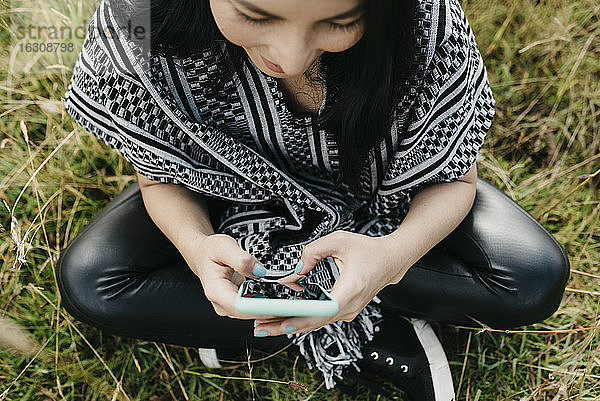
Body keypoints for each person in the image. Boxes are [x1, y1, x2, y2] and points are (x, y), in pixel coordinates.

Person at [57, 0, 570, 399]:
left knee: (529, 278)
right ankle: (360, 327)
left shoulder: (421, 21)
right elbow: (160, 177)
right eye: (255, 14)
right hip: (222, 197)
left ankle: (263, 324)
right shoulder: (138, 20)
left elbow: (453, 180)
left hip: (385, 204)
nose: (291, 55)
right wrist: (195, 246)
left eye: (340, 21)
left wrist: (390, 259)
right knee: (93, 281)